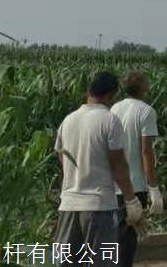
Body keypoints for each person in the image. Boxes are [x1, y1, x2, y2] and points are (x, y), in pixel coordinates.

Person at [53, 71, 144, 260]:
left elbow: (62, 159)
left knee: (68, 261)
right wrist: (131, 200)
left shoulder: (68, 120)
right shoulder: (109, 120)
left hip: (69, 204)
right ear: (111, 95)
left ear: (89, 91)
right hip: (98, 206)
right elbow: (118, 163)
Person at [111, 69, 164, 267]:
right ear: (142, 87)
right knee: (126, 242)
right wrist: (153, 187)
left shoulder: (114, 108)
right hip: (134, 186)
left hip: (112, 183)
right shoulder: (146, 111)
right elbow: (146, 152)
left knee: (114, 237)